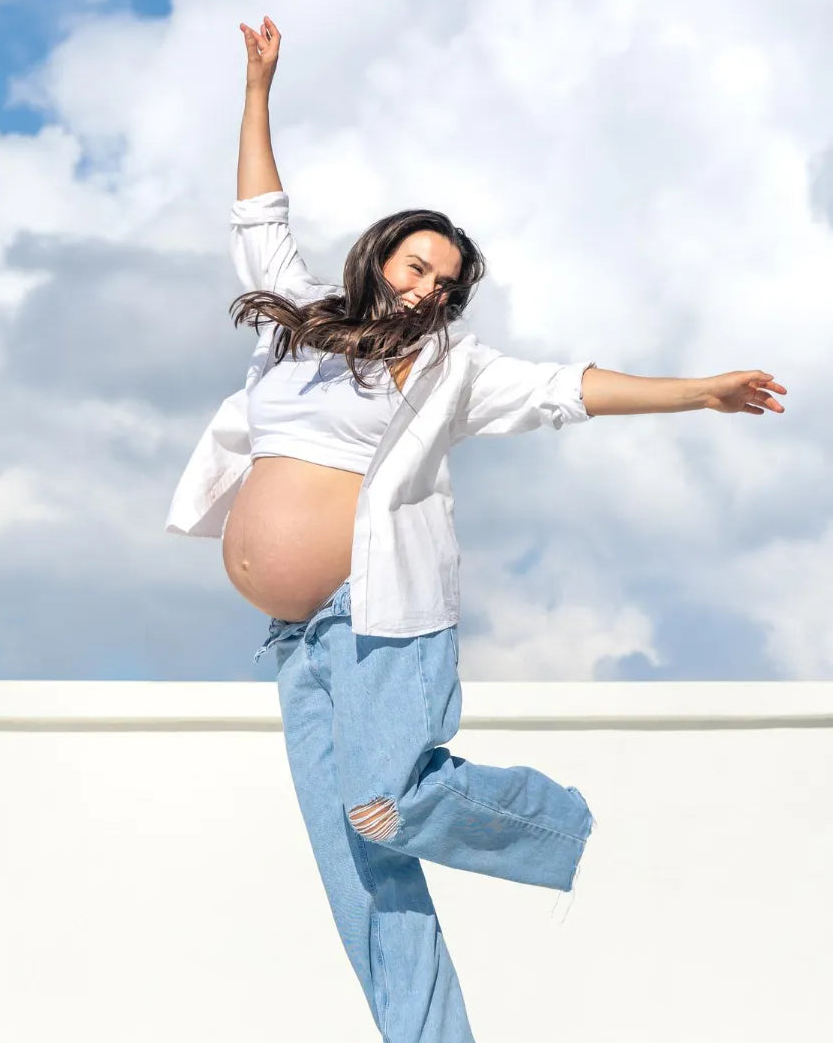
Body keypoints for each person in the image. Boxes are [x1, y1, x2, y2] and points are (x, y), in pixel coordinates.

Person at [165, 16, 787, 1043]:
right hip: (300, 640)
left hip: (379, 615)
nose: (428, 289)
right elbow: (256, 215)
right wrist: (258, 90)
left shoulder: (454, 368)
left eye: (445, 284)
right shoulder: (297, 325)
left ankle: (560, 824)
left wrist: (701, 392)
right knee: (358, 874)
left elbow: (570, 389)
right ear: (378, 256)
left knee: (385, 803)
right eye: (417, 267)